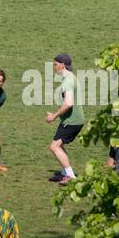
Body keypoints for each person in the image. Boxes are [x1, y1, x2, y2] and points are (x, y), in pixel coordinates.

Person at [46, 53, 84, 186]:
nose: (54, 67)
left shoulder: (68, 81)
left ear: (62, 65)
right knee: (59, 146)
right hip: (71, 120)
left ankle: (70, 176)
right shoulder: (71, 78)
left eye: (55, 65)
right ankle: (64, 173)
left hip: (72, 121)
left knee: (54, 147)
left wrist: (53, 116)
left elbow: (68, 103)